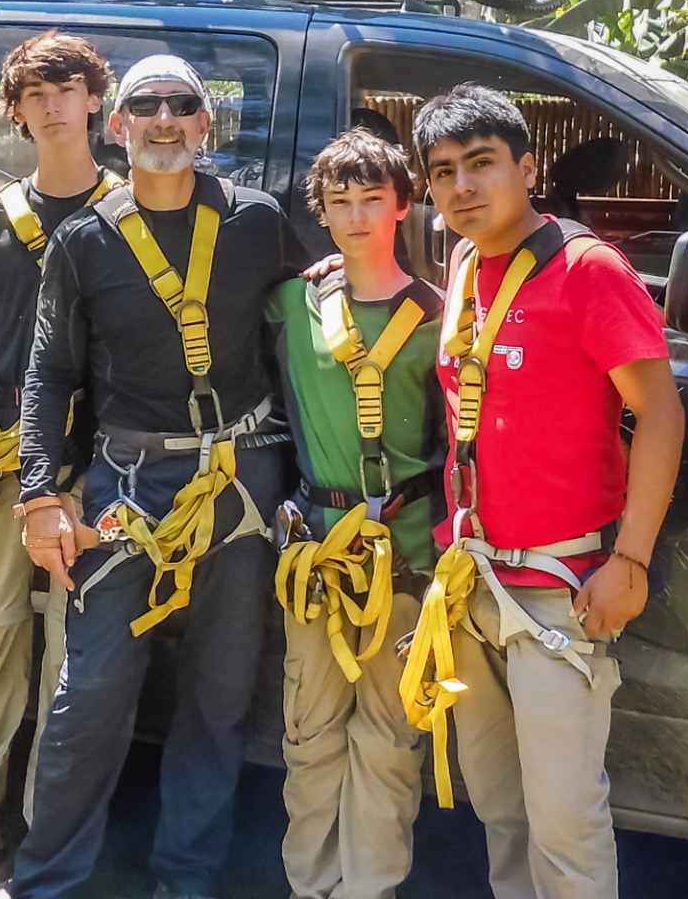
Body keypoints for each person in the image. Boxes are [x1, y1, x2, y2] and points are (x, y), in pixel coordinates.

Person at [1, 54, 302, 899]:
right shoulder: (84, 240)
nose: (164, 119)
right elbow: (48, 375)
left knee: (220, 693)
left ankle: (186, 881)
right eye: (146, 106)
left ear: (208, 126)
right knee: (91, 690)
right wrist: (37, 495)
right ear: (118, 124)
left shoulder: (258, 223)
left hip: (241, 478)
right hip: (127, 484)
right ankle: (46, 882)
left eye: (182, 106)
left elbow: (326, 310)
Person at [398, 84, 684, 899]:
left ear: (528, 168)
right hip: (473, 583)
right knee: (500, 806)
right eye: (444, 171)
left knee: (564, 819)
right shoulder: (459, 262)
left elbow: (659, 414)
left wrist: (629, 559)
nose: (462, 187)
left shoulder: (586, 269)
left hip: (561, 590)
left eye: (482, 164)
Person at [0, 33, 118, 899]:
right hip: (0, 466)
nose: (53, 105)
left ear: (96, 102)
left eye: (69, 88)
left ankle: (45, 839)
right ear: (13, 109)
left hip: (98, 469)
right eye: (35, 92)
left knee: (69, 665)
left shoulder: (132, 214)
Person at [265, 127, 443, 899]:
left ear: (403, 204)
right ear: (322, 214)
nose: (357, 214)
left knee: (389, 738)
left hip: (405, 555)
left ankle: (371, 888)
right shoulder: (292, 303)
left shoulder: (440, 318)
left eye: (373, 198)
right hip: (318, 553)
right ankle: (311, 885)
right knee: (308, 734)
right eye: (340, 202)